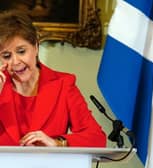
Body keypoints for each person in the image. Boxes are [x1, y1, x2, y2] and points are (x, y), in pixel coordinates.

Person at [0, 10, 106, 147]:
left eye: (21, 51)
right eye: (6, 56)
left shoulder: (63, 84)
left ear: (36, 47)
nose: (15, 62)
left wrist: (58, 143)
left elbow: (97, 138)